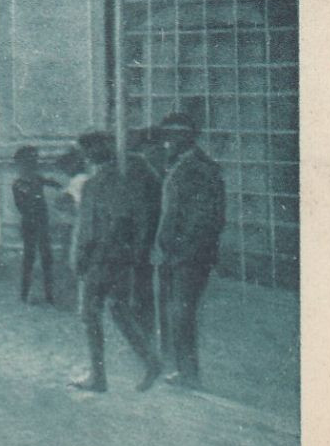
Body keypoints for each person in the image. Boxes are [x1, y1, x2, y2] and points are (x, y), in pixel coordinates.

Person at [70, 132, 162, 393]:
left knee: (89, 312)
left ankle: (98, 376)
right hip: (123, 255)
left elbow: (87, 229)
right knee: (119, 309)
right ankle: (151, 361)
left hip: (99, 256)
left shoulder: (94, 184)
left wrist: (80, 259)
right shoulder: (130, 175)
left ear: (88, 154)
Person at [153, 113, 227, 389]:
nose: (167, 142)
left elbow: (207, 218)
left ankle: (189, 374)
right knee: (177, 313)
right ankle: (184, 370)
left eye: (173, 136)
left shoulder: (200, 169)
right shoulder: (180, 165)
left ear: (187, 137)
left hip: (189, 256)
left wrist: (183, 250)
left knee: (182, 314)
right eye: (166, 136)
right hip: (176, 254)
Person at [12, 146, 62, 304]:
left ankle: (48, 295)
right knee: (30, 258)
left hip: (41, 222)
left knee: (46, 258)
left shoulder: (36, 179)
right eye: (30, 160)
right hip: (31, 223)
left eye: (34, 160)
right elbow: (22, 206)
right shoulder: (19, 183)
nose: (33, 163)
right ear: (21, 163)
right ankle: (25, 294)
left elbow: (55, 184)